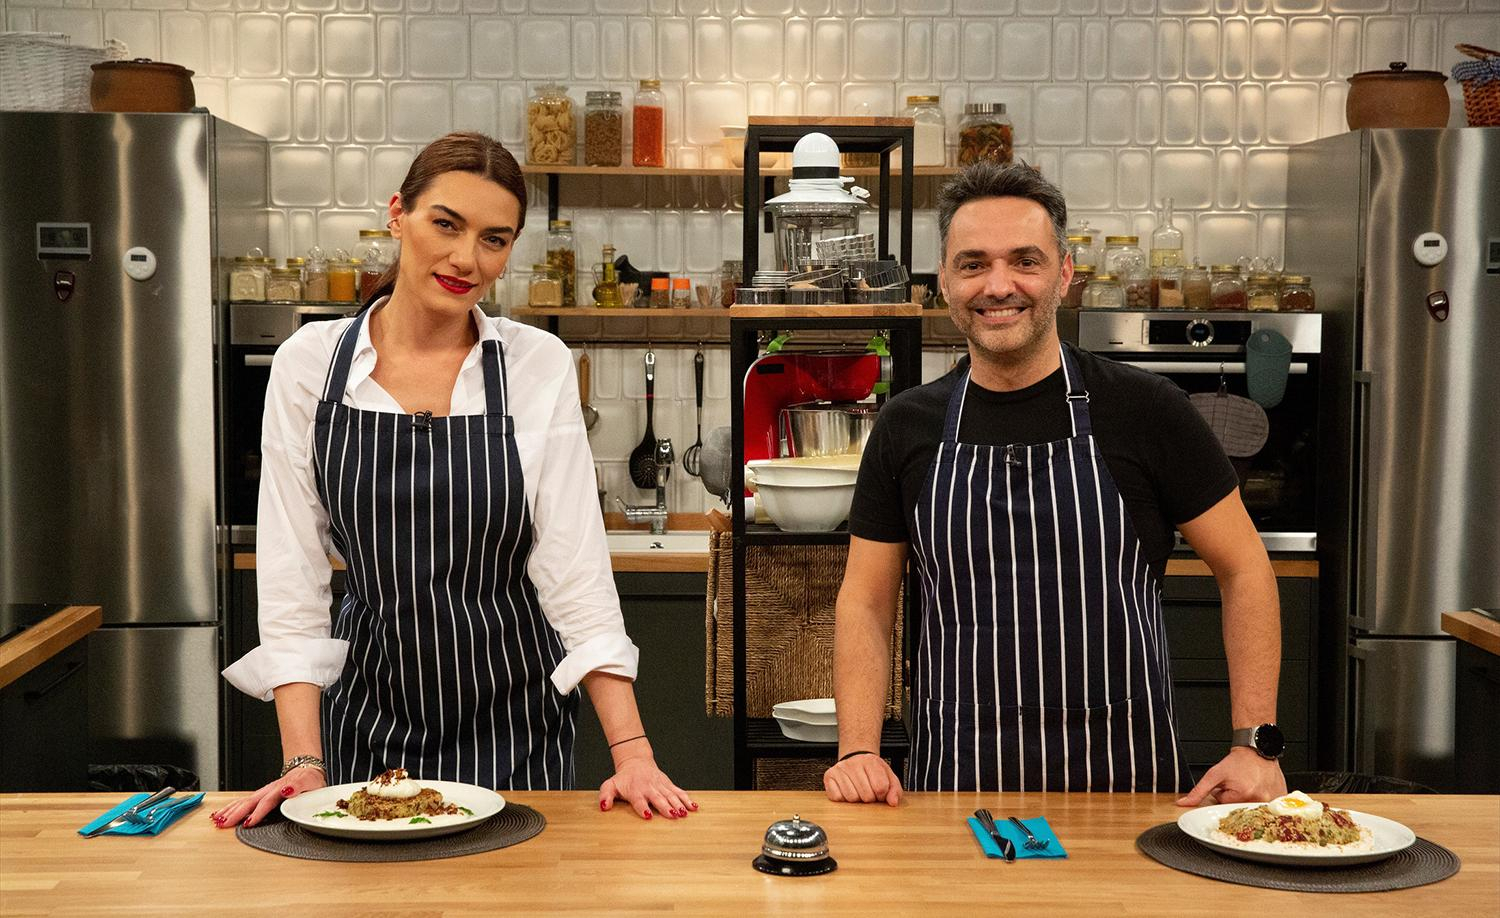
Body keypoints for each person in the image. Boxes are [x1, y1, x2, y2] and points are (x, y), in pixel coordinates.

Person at [216, 132, 694, 828]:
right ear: (397, 215)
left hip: (517, 724)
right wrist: (302, 761)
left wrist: (633, 752)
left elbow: (574, 570)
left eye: (494, 239)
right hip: (368, 719)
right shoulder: (309, 364)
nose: (467, 258)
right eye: (446, 224)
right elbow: (293, 579)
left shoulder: (536, 365)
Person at [823, 162, 1286, 806]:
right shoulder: (907, 426)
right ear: (945, 282)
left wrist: (1254, 744)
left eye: (1025, 261)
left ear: (1065, 274)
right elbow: (866, 603)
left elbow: (1245, 568)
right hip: (956, 786)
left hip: (1126, 786)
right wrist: (858, 750)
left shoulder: (1147, 410)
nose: (999, 285)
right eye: (973, 264)